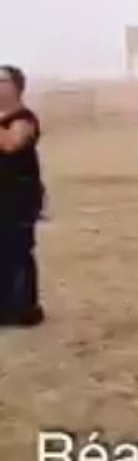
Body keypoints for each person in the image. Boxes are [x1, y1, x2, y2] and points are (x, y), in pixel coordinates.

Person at [0, 65, 45, 327]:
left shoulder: (25, 118)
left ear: (16, 86)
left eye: (2, 80)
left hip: (19, 196)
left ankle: (25, 308)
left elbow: (11, 144)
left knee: (18, 249)